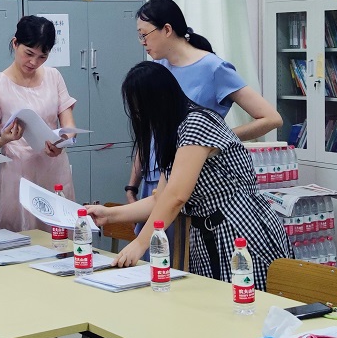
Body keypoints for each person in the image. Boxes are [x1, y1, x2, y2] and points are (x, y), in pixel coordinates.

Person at [87, 61, 290, 290]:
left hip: (240, 231)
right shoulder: (174, 132)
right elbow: (160, 199)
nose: (139, 117)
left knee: (248, 302)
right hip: (207, 235)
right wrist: (110, 215)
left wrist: (141, 243)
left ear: (157, 101)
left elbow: (176, 196)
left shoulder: (196, 123)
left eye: (140, 109)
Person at [125, 0, 283, 255]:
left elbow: (271, 118)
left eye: (145, 35)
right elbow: (150, 132)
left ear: (167, 29)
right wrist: (132, 183)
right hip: (157, 175)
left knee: (179, 258)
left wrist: (214, 141)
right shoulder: (157, 68)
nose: (142, 42)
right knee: (152, 257)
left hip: (197, 184)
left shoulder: (213, 68)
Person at [0, 15, 77, 232]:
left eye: (42, 57)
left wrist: (62, 141)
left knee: (59, 240)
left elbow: (69, 126)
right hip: (18, 176)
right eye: (29, 53)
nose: (34, 62)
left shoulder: (54, 77)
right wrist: (3, 139)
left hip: (54, 172)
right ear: (15, 43)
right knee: (19, 240)